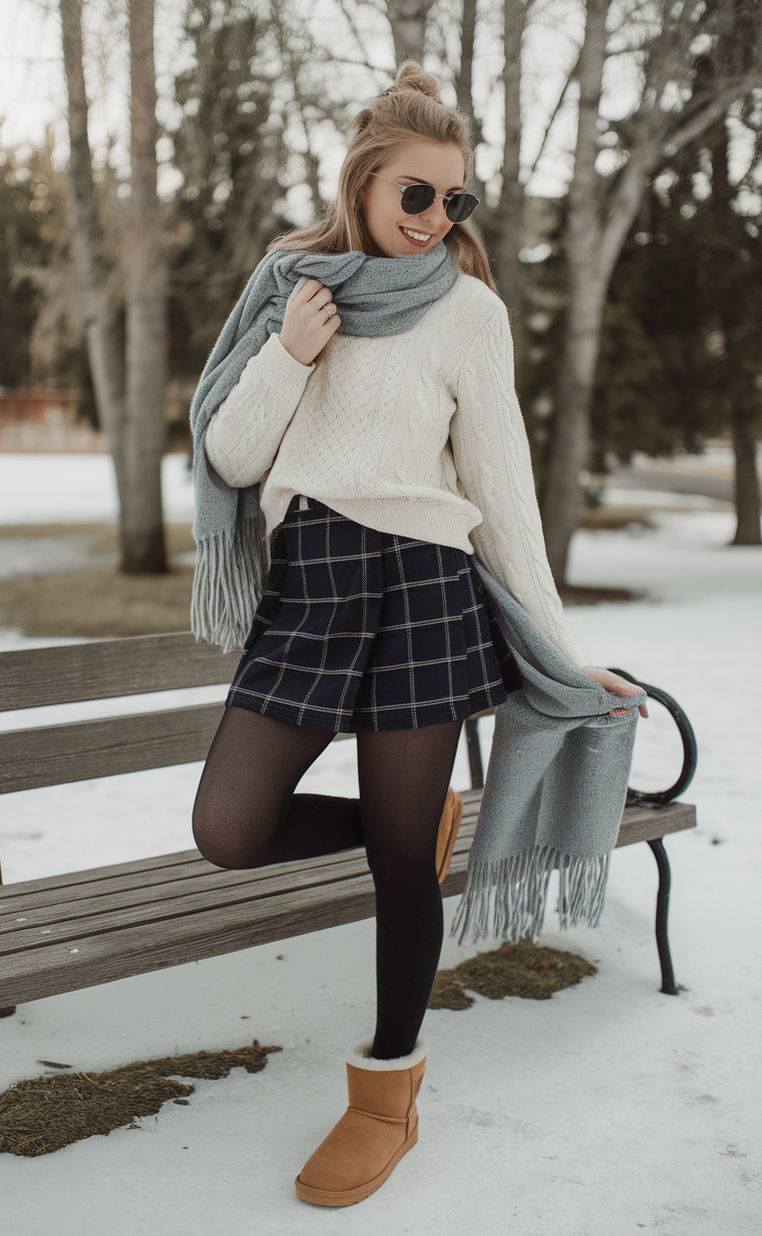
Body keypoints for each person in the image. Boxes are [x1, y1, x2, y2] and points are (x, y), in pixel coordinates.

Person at [189, 62, 646, 1208]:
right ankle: (414, 820)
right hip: (310, 587)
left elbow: (502, 487)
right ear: (362, 182)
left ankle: (383, 1098)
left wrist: (551, 644)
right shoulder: (293, 288)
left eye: (455, 202)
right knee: (228, 827)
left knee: (403, 861)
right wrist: (290, 351)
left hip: (425, 586)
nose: (436, 221)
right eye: (415, 197)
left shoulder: (469, 312)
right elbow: (232, 459)